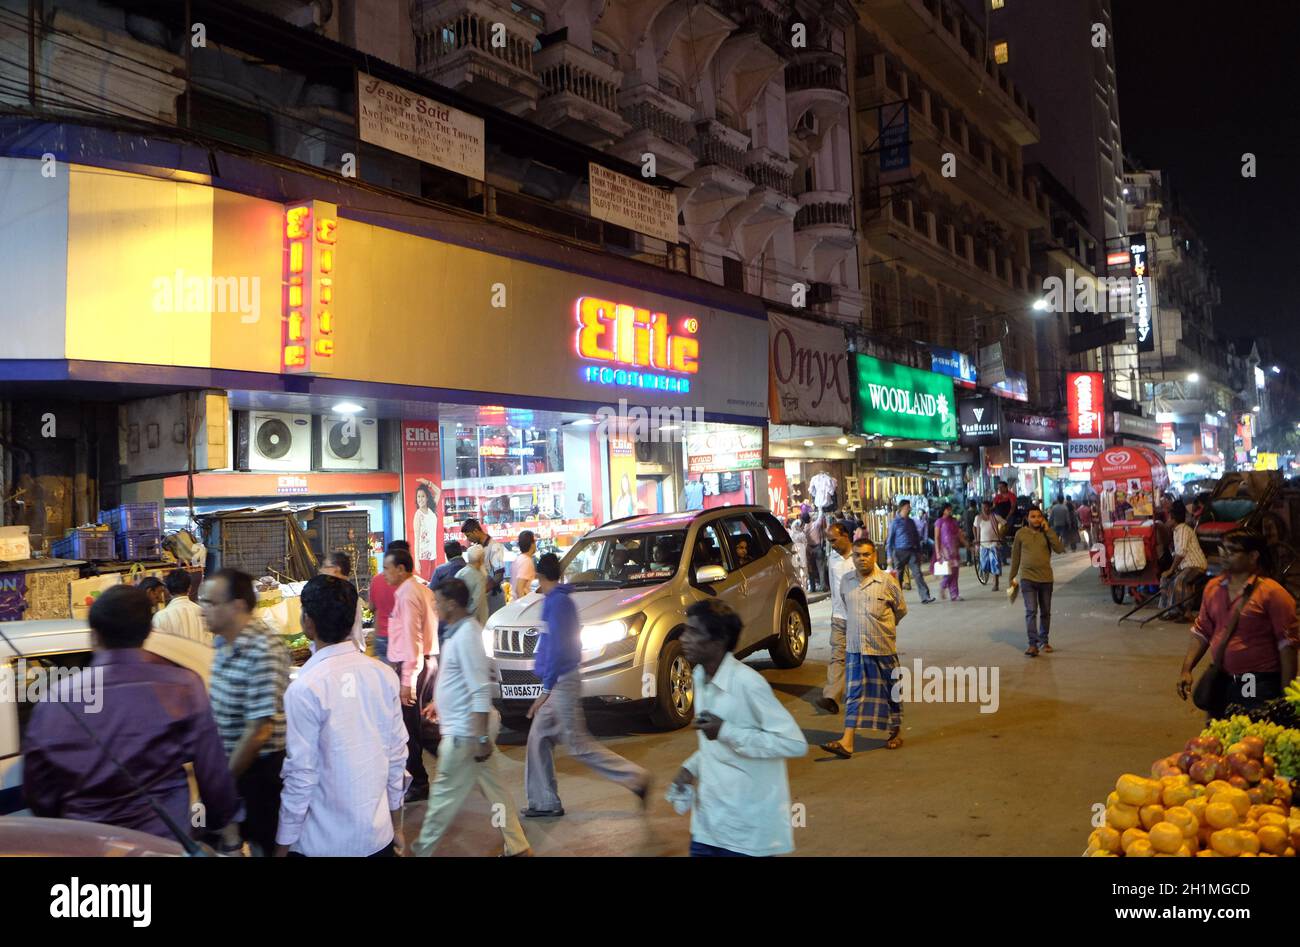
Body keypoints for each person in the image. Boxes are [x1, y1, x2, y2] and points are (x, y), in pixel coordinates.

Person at [22, 585, 238, 841]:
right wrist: (218, 825)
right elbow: (212, 773)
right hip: (161, 842)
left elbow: (39, 794)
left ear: (94, 636)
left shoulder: (54, 701)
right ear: (148, 632)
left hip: (88, 844)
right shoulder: (183, 687)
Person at [275, 575, 408, 857]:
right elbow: (397, 757)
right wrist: (396, 826)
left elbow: (301, 777)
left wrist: (281, 847)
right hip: (378, 838)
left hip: (323, 845)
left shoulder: (304, 689)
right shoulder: (383, 676)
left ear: (307, 622)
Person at [669, 599, 807, 856]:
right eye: (685, 631)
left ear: (718, 641)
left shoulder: (748, 683)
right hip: (708, 826)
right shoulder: (699, 678)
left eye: (694, 632)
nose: (684, 639)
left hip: (747, 834)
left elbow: (794, 743)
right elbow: (717, 744)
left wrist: (726, 731)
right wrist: (690, 767)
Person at [521, 554, 651, 817]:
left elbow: (557, 648)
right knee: (537, 738)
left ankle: (636, 778)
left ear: (539, 575)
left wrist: (545, 690)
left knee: (578, 745)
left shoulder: (557, 603)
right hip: (559, 682)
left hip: (560, 683)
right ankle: (545, 802)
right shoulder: (558, 601)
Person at [412, 578, 532, 857]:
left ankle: (421, 851)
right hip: (467, 730)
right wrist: (439, 702)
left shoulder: (467, 634)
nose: (435, 606)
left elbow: (479, 690)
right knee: (496, 792)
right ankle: (518, 846)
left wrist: (479, 738)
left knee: (443, 799)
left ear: (452, 604)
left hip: (466, 734)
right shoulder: (457, 631)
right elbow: (460, 681)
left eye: (438, 602)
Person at [201, 568, 292, 855]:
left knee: (263, 843)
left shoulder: (264, 647)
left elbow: (259, 730)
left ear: (237, 606)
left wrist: (224, 782)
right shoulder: (223, 642)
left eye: (210, 603)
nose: (202, 610)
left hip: (259, 773)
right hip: (234, 766)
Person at [1176, 529, 1298, 719]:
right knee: (1216, 734)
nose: (1224, 555)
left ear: (1253, 556)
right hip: (1222, 678)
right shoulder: (1213, 588)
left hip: (1255, 681)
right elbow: (1202, 632)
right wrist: (1186, 669)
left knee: (1248, 735)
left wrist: (1286, 695)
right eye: (1223, 549)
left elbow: (1287, 646)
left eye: (1232, 551)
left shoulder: (1272, 594)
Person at [820, 537, 908, 758]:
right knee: (853, 694)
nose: (862, 559)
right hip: (855, 648)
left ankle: (895, 731)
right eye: (858, 555)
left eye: (866, 555)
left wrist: (885, 626)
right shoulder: (846, 581)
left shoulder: (887, 582)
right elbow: (846, 605)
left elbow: (901, 609)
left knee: (891, 692)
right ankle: (847, 741)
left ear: (874, 556)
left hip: (882, 646)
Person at [382, 547, 440, 803]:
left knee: (411, 729)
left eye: (387, 568)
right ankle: (455, 767)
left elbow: (411, 639)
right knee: (424, 727)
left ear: (401, 569)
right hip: (427, 663)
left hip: (415, 667)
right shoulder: (422, 589)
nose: (384, 573)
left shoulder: (407, 594)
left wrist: (408, 682)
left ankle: (418, 781)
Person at [1007, 509, 1065, 657]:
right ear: (1027, 519)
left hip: (1046, 579)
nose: (1036, 519)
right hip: (1028, 579)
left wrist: (1048, 530)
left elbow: (1059, 549)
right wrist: (1011, 578)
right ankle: (1033, 644)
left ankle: (1044, 641)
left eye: (1039, 516)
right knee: (1031, 611)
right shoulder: (1020, 534)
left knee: (1045, 612)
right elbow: (1015, 557)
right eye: (1033, 516)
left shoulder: (1047, 533)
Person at [815, 521, 856, 715]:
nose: (831, 544)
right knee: (837, 657)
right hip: (839, 617)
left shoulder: (861, 557)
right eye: (829, 540)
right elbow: (833, 587)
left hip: (859, 618)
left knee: (860, 658)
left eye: (834, 540)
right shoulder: (832, 559)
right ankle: (831, 696)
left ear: (846, 536)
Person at [1162, 502, 1208, 621]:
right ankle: (1172, 610)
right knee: (1166, 579)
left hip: (1196, 565)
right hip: (1187, 566)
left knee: (1180, 580)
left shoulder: (1183, 529)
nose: (1166, 520)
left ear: (1173, 518)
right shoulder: (1176, 530)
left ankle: (1187, 613)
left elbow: (1180, 553)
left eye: (1168, 517)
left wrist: (1172, 569)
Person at [885, 500, 934, 605]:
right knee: (899, 577)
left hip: (912, 551)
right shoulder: (894, 523)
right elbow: (890, 541)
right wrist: (889, 556)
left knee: (918, 574)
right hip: (899, 552)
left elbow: (916, 537)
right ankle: (897, 599)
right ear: (902, 508)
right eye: (908, 507)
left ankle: (925, 596)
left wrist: (919, 552)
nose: (909, 509)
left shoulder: (911, 522)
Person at [368, 541, 407, 666]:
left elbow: (371, 607)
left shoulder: (376, 580)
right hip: (402, 637)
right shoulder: (408, 582)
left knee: (386, 677)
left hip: (381, 636)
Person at [319, 551, 366, 653]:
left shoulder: (341, 595)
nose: (321, 570)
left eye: (325, 566)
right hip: (352, 650)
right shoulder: (348, 592)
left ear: (336, 570)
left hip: (340, 652)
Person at [151, 568, 211, 645]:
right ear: (189, 588)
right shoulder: (203, 613)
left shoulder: (160, 617)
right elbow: (210, 643)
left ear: (168, 590)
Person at [462, 518, 506, 615]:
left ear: (476, 531)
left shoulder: (494, 547)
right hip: (483, 596)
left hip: (494, 597)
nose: (468, 539)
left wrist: (482, 590)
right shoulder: (477, 548)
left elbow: (499, 575)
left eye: (468, 535)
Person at [933, 503, 967, 601]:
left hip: (954, 550)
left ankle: (954, 594)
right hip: (945, 551)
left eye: (950, 509)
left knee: (955, 572)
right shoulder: (939, 522)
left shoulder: (953, 521)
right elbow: (936, 538)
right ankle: (943, 586)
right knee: (949, 572)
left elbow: (959, 535)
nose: (950, 511)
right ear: (943, 510)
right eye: (948, 509)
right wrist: (938, 553)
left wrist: (966, 544)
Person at [412, 479, 441, 580]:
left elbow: (438, 491)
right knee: (425, 584)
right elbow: (416, 538)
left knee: (433, 583)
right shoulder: (418, 515)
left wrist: (427, 482)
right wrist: (416, 560)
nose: (420, 499)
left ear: (427, 498)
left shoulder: (431, 511)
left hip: (433, 554)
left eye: (423, 496)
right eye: (418, 497)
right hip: (423, 555)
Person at [974, 501, 1005, 592]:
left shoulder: (995, 517)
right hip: (983, 544)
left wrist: (1001, 535)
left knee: (994, 562)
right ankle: (990, 574)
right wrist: (976, 538)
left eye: (986, 507)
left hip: (994, 544)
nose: (985, 509)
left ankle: (996, 583)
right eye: (983, 507)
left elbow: (1004, 524)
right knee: (984, 564)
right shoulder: (978, 518)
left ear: (990, 508)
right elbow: (974, 527)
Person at [457, 543, 489, 624]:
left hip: (460, 618)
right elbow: (476, 602)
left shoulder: (460, 573)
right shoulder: (479, 576)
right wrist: (468, 618)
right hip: (475, 620)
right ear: (481, 559)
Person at [511, 530, 537, 600]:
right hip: (521, 606)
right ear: (532, 544)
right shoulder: (526, 561)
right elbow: (519, 589)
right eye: (534, 541)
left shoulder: (520, 558)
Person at [806, 511, 828, 593]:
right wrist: (820, 509)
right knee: (820, 568)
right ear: (810, 518)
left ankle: (812, 587)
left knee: (811, 569)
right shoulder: (815, 525)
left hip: (809, 549)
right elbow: (820, 517)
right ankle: (823, 586)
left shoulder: (804, 528)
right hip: (817, 548)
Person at [789, 515, 809, 587]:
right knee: (804, 572)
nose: (803, 527)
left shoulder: (791, 534)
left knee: (797, 572)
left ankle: (799, 586)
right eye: (802, 526)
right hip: (801, 553)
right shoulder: (801, 534)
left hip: (794, 554)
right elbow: (805, 544)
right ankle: (804, 586)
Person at [962, 501, 979, 566]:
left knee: (968, 546)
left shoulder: (965, 513)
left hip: (966, 531)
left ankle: (969, 561)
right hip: (973, 531)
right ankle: (976, 559)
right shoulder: (975, 513)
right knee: (976, 545)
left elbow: (962, 521)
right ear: (975, 505)